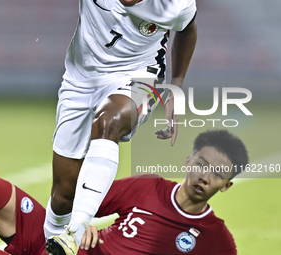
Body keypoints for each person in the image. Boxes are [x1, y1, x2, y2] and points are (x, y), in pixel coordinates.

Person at [46, 0, 198, 254]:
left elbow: (187, 28)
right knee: (63, 195)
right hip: (79, 80)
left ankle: (76, 230)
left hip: (139, 74)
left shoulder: (176, 3)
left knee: (109, 122)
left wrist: (176, 88)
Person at [0, 130, 247, 255]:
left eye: (218, 174)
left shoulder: (216, 240)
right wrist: (83, 219)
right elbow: (81, 198)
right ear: (188, 161)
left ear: (226, 186)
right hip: (59, 242)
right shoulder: (147, 188)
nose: (205, 176)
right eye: (202, 163)